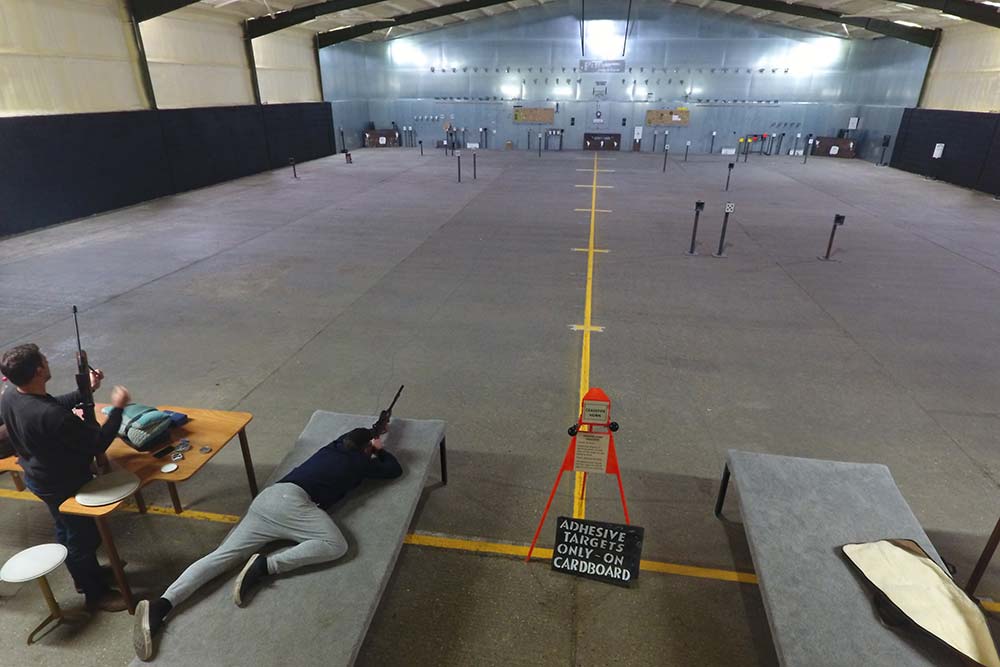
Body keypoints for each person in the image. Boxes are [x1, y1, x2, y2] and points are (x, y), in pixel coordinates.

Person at [133, 426, 403, 661]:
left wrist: (371, 436)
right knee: (335, 545)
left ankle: (163, 605)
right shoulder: (359, 463)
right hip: (295, 505)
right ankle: (267, 566)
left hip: (269, 498)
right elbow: (393, 470)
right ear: (365, 449)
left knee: (222, 556)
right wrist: (379, 450)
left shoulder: (332, 448)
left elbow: (351, 439)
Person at [0, 343, 132, 611]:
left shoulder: (11, 396)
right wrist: (118, 408)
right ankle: (96, 595)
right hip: (63, 482)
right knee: (82, 538)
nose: (48, 362)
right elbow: (98, 443)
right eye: (44, 360)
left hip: (40, 476)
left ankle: (85, 578)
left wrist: (86, 390)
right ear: (39, 371)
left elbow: (50, 404)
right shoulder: (53, 417)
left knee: (66, 530)